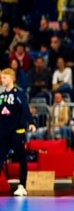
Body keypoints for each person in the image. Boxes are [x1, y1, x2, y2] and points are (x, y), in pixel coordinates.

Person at [0, 68, 36, 196]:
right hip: (3, 132)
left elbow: (25, 109)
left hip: (16, 131)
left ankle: (22, 185)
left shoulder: (18, 94)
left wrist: (31, 122)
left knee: (21, 158)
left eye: (4, 77)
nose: (2, 79)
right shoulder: (1, 95)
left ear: (12, 78)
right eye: (1, 77)